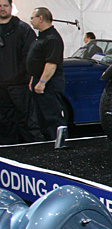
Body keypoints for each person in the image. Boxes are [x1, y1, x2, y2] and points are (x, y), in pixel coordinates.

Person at [0, 0, 39, 143]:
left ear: (11, 7)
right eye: (0, 6)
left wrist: (29, 76)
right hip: (1, 86)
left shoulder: (23, 29)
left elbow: (30, 56)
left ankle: (33, 149)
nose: (2, 8)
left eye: (5, 5)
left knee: (26, 118)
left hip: (19, 84)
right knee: (4, 120)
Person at [26, 7, 66, 141]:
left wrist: (42, 82)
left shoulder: (52, 38)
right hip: (39, 80)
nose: (31, 21)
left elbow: (51, 64)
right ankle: (48, 142)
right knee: (42, 117)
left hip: (50, 83)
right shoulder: (41, 37)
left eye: (33, 18)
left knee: (52, 115)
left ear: (41, 18)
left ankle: (59, 143)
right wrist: (33, 79)